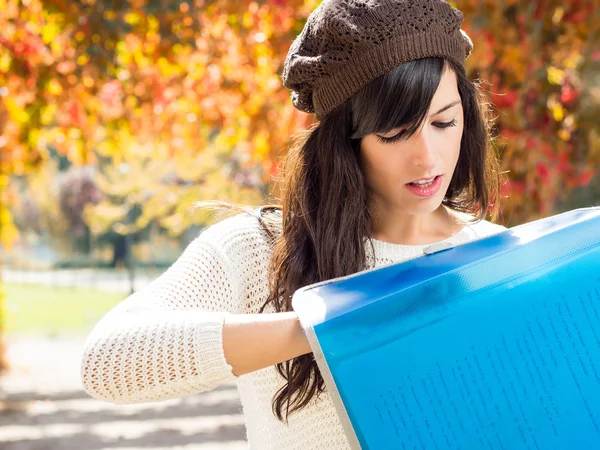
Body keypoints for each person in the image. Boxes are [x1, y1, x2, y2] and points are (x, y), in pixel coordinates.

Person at [81, 0, 509, 448]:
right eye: (393, 133)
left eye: (444, 122)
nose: (427, 157)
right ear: (345, 140)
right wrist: (335, 323)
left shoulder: (496, 256)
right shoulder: (259, 250)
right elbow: (108, 361)